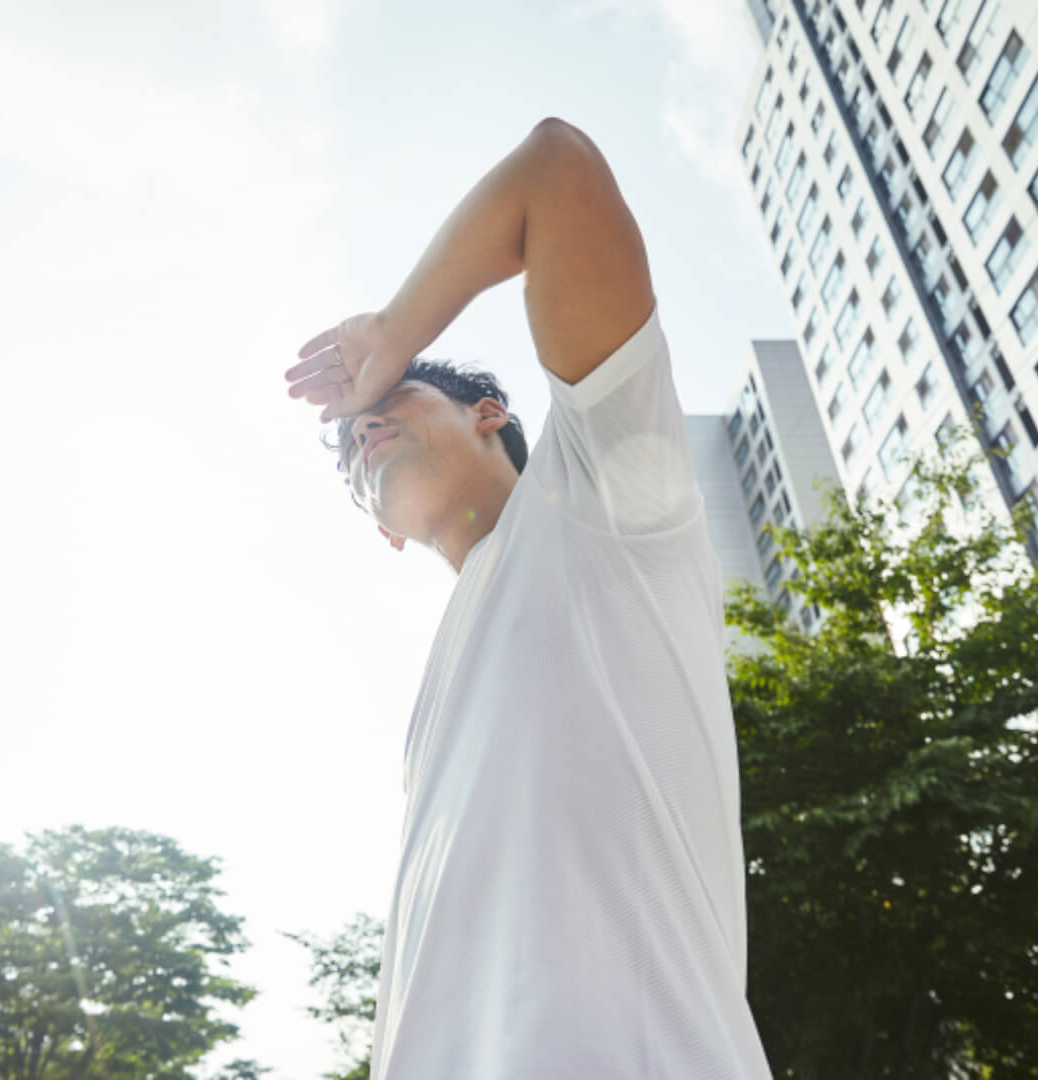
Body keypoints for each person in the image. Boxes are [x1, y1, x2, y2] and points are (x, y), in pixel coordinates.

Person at [283, 117, 772, 1077]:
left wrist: (389, 336)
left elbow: (557, 170)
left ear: (489, 413)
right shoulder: (432, 712)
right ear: (385, 532)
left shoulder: (601, 504)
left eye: (389, 403)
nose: (363, 430)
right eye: (351, 449)